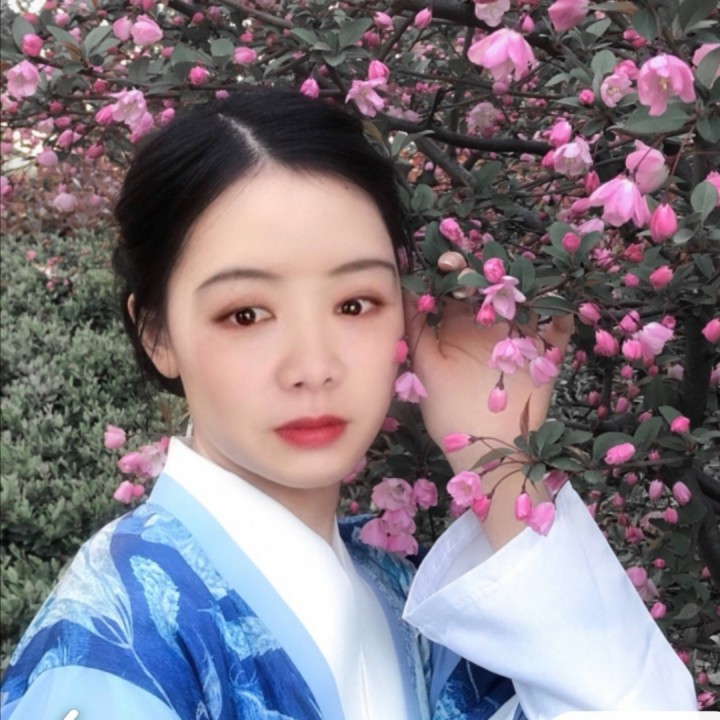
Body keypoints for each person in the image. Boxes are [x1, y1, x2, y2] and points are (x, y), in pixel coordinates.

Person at [1, 86, 695, 720]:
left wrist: (499, 459)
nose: (314, 368)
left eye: (355, 303)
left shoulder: (394, 591)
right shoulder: (118, 639)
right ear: (158, 334)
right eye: (245, 314)